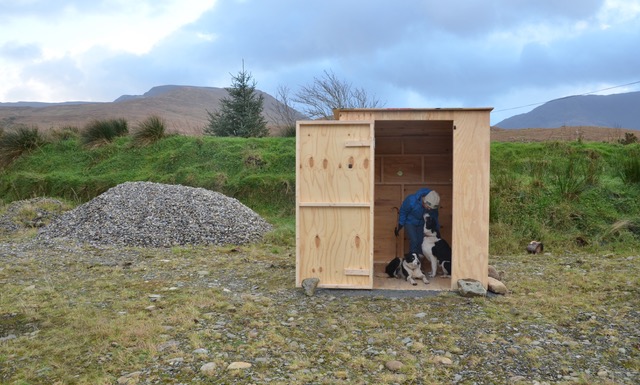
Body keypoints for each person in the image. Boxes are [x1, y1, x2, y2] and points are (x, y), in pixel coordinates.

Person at [395, 188, 440, 255]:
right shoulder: (411, 200)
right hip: (410, 222)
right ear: (425, 200)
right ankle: (412, 260)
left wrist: (437, 230)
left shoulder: (432, 207)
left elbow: (434, 218)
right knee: (414, 240)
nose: (429, 209)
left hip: (421, 223)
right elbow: (403, 211)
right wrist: (400, 224)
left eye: (431, 208)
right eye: (428, 207)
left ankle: (418, 261)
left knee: (421, 241)